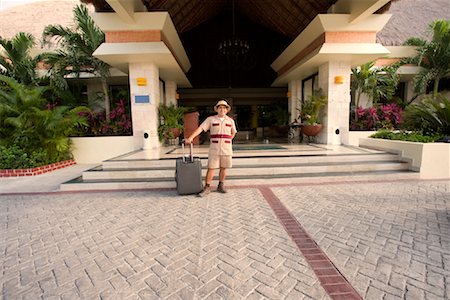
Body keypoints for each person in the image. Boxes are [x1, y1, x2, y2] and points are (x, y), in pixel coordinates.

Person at [185, 99, 237, 197]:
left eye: (224, 108)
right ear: (217, 109)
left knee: (223, 168)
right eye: (220, 108)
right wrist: (191, 137)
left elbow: (233, 132)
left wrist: (228, 139)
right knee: (211, 168)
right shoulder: (211, 119)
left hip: (226, 148)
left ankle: (220, 186)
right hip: (215, 148)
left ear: (227, 110)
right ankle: (207, 187)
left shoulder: (230, 121)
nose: (222, 110)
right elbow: (201, 128)